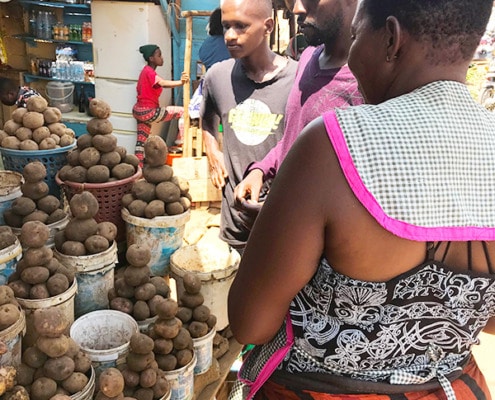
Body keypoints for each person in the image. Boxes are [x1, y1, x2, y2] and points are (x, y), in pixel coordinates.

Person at [228, 0, 495, 399]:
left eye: (356, 36)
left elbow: (249, 323)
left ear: (391, 38)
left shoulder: (331, 146)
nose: (351, 58)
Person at [234, 0, 363, 226]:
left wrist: (291, 210)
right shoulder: (307, 59)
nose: (297, 9)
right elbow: (294, 136)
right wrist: (261, 170)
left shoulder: (366, 81)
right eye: (292, 1)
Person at [200, 0, 298, 254]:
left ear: (268, 26)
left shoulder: (297, 81)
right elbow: (207, 120)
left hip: (283, 220)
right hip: (237, 220)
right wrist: (212, 152)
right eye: (226, 26)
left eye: (241, 26)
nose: (230, 36)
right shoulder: (217, 77)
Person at [132, 44, 189, 166]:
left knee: (141, 142)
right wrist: (181, 82)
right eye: (159, 55)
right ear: (151, 58)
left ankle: (138, 169)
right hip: (148, 112)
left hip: (139, 111)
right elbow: (162, 83)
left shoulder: (145, 71)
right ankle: (181, 140)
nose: (162, 58)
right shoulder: (149, 72)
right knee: (184, 111)